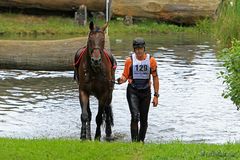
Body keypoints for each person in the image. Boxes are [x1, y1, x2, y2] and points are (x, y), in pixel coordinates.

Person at [117, 37, 159, 142]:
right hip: (133, 91)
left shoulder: (151, 61)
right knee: (135, 116)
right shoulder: (129, 61)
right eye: (136, 49)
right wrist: (121, 80)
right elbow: (125, 76)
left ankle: (141, 141)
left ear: (144, 48)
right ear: (134, 49)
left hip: (146, 92)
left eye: (140, 48)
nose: (139, 51)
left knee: (144, 120)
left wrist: (156, 95)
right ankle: (134, 142)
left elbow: (155, 77)